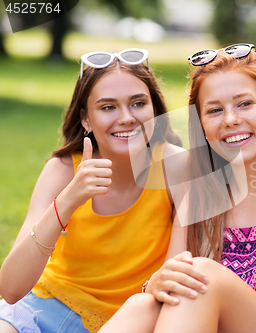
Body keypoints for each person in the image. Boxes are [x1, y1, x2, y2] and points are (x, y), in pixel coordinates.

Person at [99, 43, 256, 333]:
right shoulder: (199, 200)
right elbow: (172, 285)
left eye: (245, 104)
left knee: (203, 277)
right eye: (214, 110)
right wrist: (155, 284)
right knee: (143, 305)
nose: (231, 120)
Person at [0, 48, 184, 333]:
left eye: (138, 103)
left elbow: (173, 279)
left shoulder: (177, 168)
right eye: (108, 107)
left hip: (130, 318)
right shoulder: (62, 170)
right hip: (45, 307)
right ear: (86, 119)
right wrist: (69, 199)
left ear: (155, 109)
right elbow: (11, 288)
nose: (126, 118)